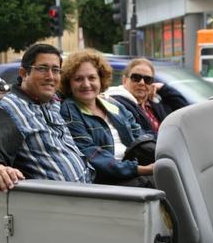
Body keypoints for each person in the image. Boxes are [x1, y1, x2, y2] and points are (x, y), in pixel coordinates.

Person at [0, 43, 95, 192]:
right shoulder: (7, 108)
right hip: (57, 202)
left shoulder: (51, 101)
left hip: (89, 188)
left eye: (56, 70)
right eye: (42, 69)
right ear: (24, 73)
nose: (51, 76)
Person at [59, 48, 155, 188]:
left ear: (101, 79)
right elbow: (90, 155)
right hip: (108, 182)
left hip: (136, 170)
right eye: (78, 79)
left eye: (92, 78)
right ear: (69, 83)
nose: (86, 84)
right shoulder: (69, 111)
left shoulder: (115, 106)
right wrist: (141, 169)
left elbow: (140, 138)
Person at [103, 58, 189, 134]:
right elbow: (138, 134)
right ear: (125, 80)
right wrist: (167, 138)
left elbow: (185, 110)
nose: (142, 83)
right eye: (136, 77)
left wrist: (163, 88)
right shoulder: (118, 104)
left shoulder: (156, 102)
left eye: (148, 79)